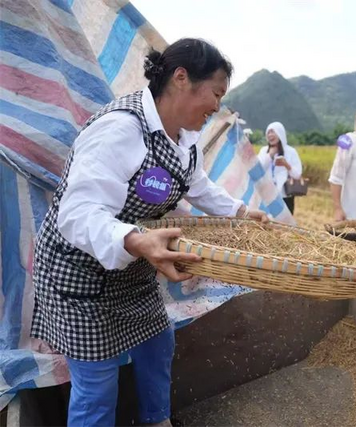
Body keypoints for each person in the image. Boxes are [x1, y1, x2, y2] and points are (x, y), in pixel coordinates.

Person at [30, 38, 267, 427]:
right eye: (215, 94)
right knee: (97, 384)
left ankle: (157, 421)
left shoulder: (185, 138)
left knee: (158, 345)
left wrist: (241, 211)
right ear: (180, 78)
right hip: (80, 275)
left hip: (133, 267)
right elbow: (77, 213)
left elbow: (199, 186)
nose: (216, 107)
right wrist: (136, 240)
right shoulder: (121, 129)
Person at [257, 122, 302, 214]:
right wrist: (270, 155)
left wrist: (286, 165)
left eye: (273, 132)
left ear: (280, 133)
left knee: (285, 226)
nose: (270, 135)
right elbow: (258, 169)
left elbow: (297, 175)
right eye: (268, 132)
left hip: (285, 196)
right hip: (267, 195)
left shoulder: (291, 152)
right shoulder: (264, 151)